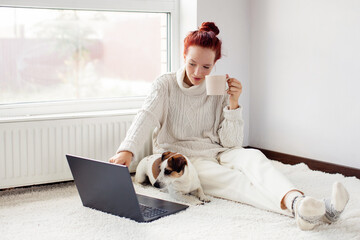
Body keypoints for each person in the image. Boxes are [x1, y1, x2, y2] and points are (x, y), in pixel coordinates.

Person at [109, 22, 349, 230]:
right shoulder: (165, 85)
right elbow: (146, 115)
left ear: (215, 64)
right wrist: (126, 150)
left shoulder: (218, 87)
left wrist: (233, 104)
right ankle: (304, 207)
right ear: (184, 56)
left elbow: (232, 144)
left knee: (255, 159)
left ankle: (302, 204)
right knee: (235, 183)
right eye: (192, 63)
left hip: (219, 150)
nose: (197, 72)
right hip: (189, 157)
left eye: (206, 67)